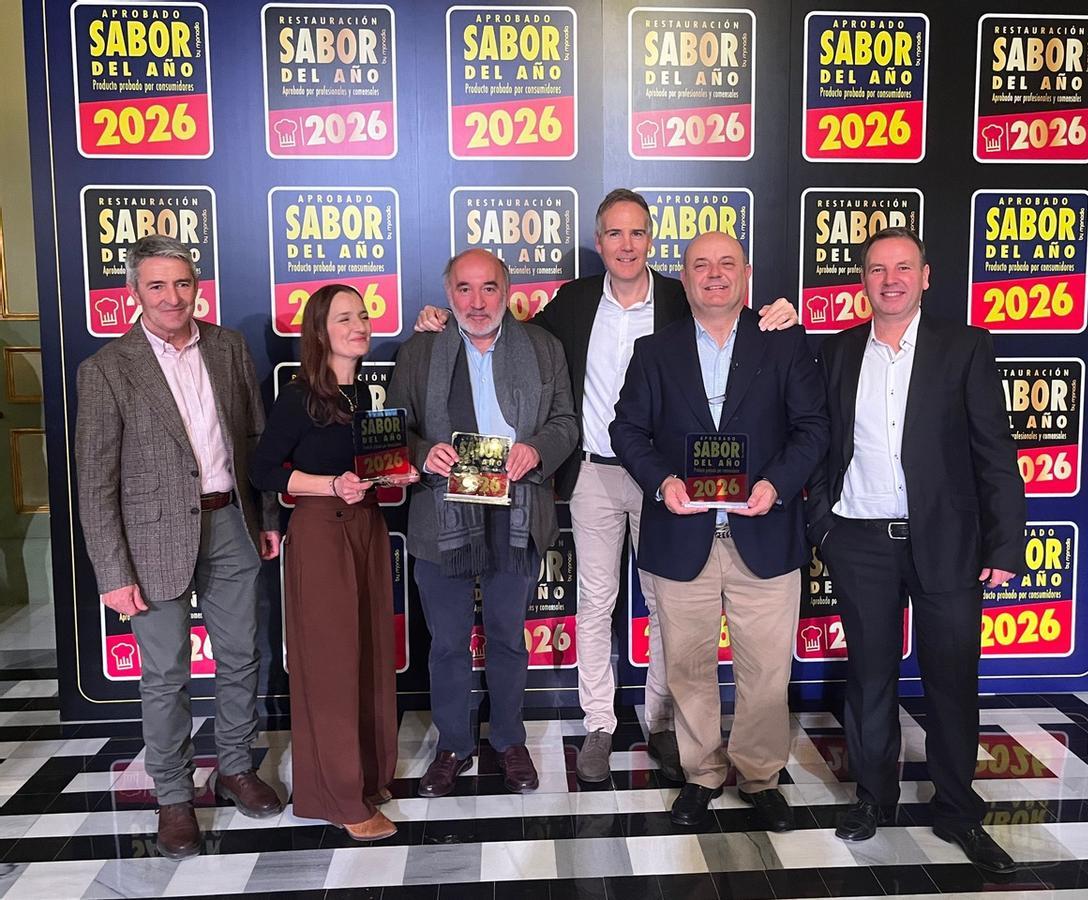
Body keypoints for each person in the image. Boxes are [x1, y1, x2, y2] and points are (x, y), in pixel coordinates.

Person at [414, 189, 798, 783]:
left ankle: (663, 724)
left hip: (673, 480)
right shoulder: (571, 302)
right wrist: (438, 322)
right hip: (593, 473)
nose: (625, 245)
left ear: (652, 240)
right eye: (614, 234)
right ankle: (599, 723)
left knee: (670, 603)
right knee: (595, 603)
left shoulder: (681, 296)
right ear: (600, 243)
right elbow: (504, 341)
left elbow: (734, 330)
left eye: (637, 233)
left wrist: (776, 313)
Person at [805, 227, 1025, 873]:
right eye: (877, 269)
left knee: (952, 683)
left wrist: (1005, 545)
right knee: (870, 680)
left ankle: (958, 811)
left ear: (926, 276)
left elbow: (995, 453)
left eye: (903, 267)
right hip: (860, 541)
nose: (891, 279)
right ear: (864, 281)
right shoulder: (839, 351)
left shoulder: (966, 347)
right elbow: (821, 445)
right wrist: (825, 527)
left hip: (948, 543)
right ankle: (873, 798)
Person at [609, 231, 829, 831]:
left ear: (747, 274)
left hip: (765, 529)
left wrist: (776, 485)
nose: (713, 275)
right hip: (683, 535)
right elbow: (625, 430)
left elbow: (812, 429)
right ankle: (701, 774)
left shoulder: (784, 344)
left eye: (726, 264)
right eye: (700, 265)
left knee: (766, 669)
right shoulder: (655, 351)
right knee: (687, 665)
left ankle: (759, 776)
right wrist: (663, 484)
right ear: (683, 278)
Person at [75, 234, 284, 859]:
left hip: (232, 526)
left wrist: (266, 515)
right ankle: (172, 797)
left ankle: (236, 767)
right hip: (149, 543)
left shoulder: (228, 348)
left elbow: (256, 437)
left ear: (197, 288)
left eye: (183, 283)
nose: (173, 297)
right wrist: (113, 570)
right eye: (157, 286)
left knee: (241, 656)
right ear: (134, 294)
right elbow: (94, 482)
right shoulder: (107, 369)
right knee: (164, 676)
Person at [388, 249, 578, 797]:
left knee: (507, 638)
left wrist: (537, 450)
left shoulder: (544, 348)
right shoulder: (420, 350)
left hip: (517, 511)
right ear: (449, 295)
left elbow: (566, 421)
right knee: (446, 643)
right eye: (465, 289)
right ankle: (452, 745)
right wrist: (423, 452)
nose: (477, 302)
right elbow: (395, 425)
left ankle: (509, 740)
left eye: (489, 288)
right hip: (440, 514)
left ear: (506, 290)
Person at [251, 284, 418, 840]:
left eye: (364, 314)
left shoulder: (360, 397)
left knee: (369, 653)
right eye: (345, 317)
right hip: (321, 537)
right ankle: (336, 798)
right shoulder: (298, 397)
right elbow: (264, 470)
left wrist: (394, 473)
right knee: (330, 667)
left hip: (367, 531)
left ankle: (366, 776)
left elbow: (366, 471)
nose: (361, 324)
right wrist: (329, 485)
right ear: (320, 332)